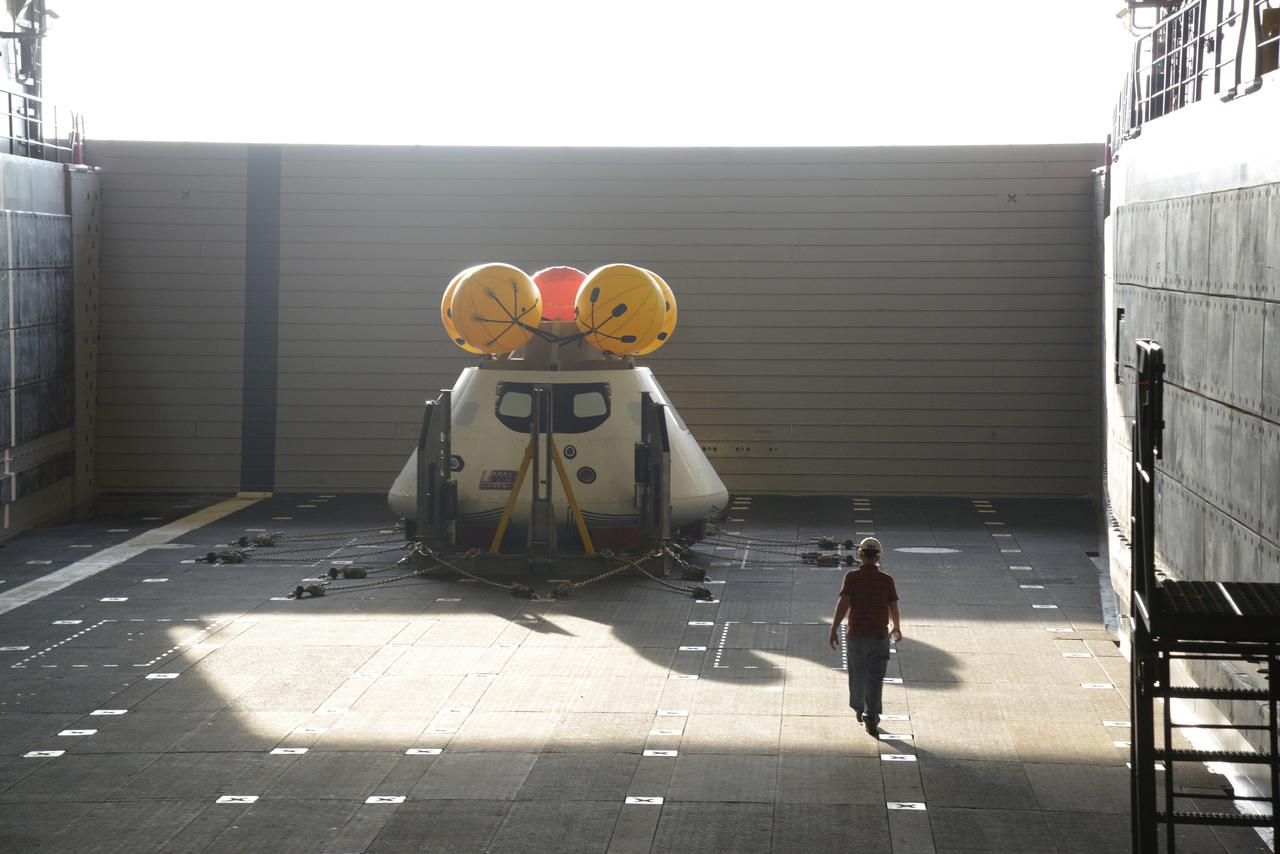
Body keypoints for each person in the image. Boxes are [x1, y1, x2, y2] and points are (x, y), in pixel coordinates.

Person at [827, 536, 902, 735]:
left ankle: (859, 708)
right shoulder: (887, 580)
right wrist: (896, 627)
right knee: (875, 677)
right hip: (879, 635)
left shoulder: (851, 578)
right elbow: (893, 606)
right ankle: (872, 715)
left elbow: (843, 604)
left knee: (857, 673)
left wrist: (834, 628)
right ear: (878, 556)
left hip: (856, 635)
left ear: (860, 555)